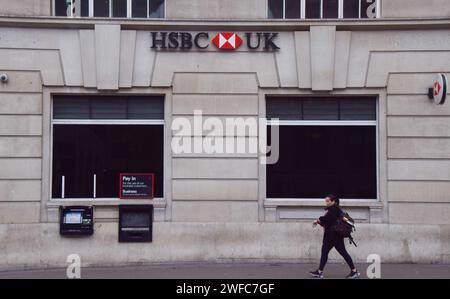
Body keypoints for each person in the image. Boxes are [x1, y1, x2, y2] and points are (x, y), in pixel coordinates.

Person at [309, 194, 360, 279]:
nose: (326, 202)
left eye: (328, 201)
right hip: (332, 236)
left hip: (333, 236)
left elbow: (327, 220)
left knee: (341, 252)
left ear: (333, 202)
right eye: (326, 201)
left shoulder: (333, 209)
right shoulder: (335, 209)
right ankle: (319, 272)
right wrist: (320, 221)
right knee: (326, 252)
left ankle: (354, 271)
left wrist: (318, 220)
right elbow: (328, 221)